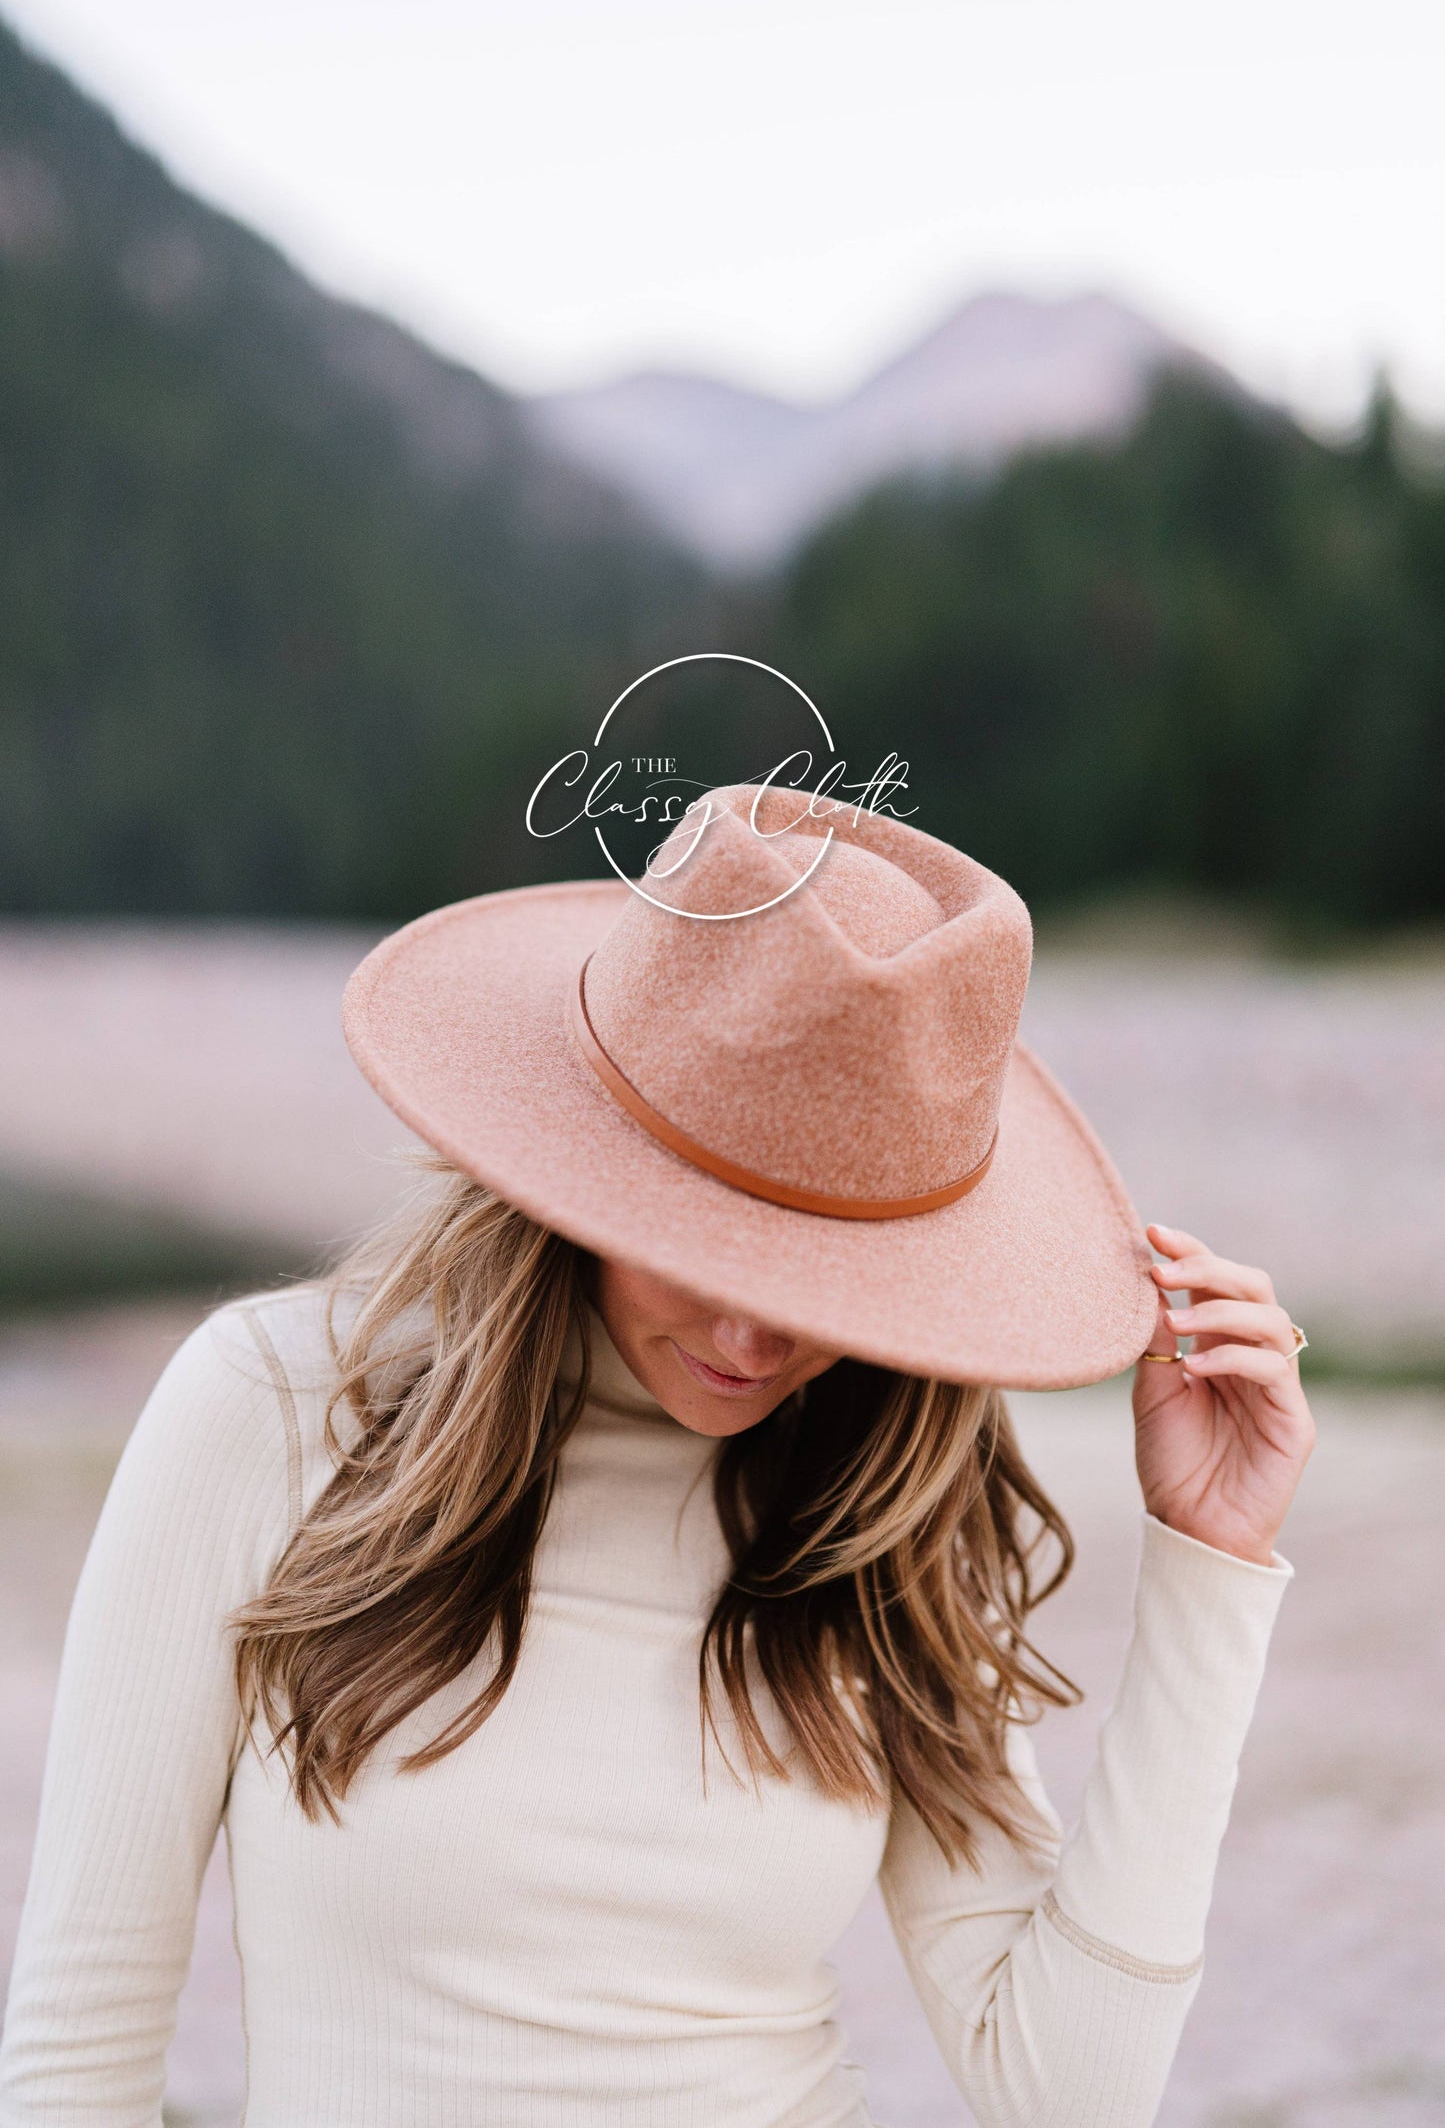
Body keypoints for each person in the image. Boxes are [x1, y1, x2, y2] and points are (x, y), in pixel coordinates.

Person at [0, 786, 1313, 2127]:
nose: (750, 1333)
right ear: (580, 1160)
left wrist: (1211, 1564)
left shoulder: (877, 1504)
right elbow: (79, 2042)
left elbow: (1068, 2095)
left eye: (822, 1273)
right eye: (700, 1241)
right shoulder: (276, 1408)